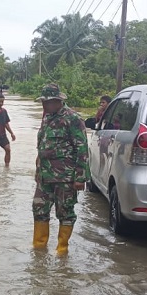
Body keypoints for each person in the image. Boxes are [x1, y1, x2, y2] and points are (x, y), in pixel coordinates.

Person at [32, 83, 89, 254]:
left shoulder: (73, 119)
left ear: (57, 101)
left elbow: (82, 149)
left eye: (47, 102)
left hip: (65, 177)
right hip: (45, 176)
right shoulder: (47, 116)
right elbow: (43, 145)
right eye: (43, 102)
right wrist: (37, 169)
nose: (44, 105)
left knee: (65, 213)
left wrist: (80, 178)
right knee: (38, 208)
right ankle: (39, 251)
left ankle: (62, 251)